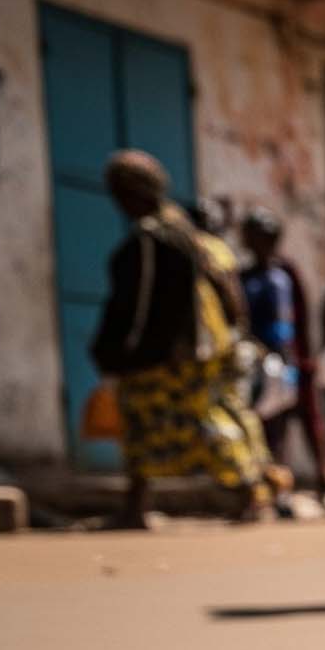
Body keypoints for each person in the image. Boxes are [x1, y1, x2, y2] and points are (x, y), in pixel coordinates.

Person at [89, 150, 268, 527]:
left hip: (174, 353)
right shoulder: (187, 233)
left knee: (190, 420)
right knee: (151, 421)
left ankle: (248, 491)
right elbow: (227, 291)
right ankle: (138, 505)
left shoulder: (157, 237)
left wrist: (119, 350)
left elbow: (138, 305)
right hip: (203, 347)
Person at [239, 210, 325, 517]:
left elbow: (299, 316)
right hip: (260, 363)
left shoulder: (285, 273)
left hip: (291, 362)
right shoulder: (245, 276)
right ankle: (279, 489)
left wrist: (302, 360)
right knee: (271, 429)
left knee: (310, 424)